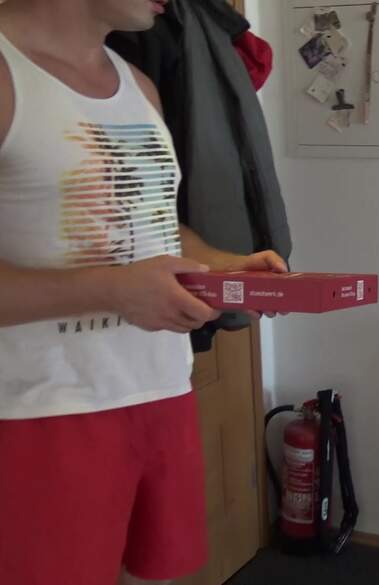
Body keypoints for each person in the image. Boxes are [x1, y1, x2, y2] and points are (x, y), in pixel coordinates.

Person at [0, 1, 287, 584]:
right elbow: (119, 278)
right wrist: (112, 291)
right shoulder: (8, 74)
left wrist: (224, 266)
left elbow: (155, 226)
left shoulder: (139, 84)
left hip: (161, 392)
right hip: (39, 413)